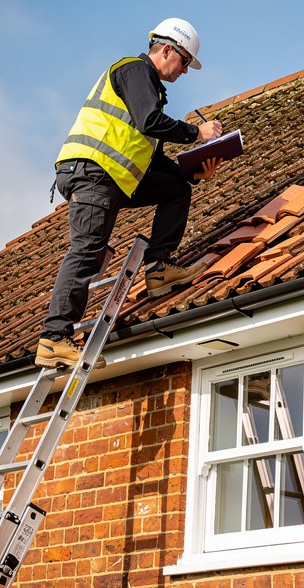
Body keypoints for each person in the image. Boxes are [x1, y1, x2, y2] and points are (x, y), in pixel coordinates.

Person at [35, 18, 223, 369]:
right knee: (87, 250)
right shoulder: (136, 72)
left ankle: (158, 267)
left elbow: (151, 158)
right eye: (184, 61)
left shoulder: (149, 89)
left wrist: (193, 172)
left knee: (176, 189)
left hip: (112, 179)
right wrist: (197, 133)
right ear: (167, 50)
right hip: (93, 173)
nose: (185, 71)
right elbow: (150, 122)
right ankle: (54, 338)